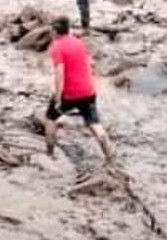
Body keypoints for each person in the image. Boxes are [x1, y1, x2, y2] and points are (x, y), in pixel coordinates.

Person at [43, 16, 114, 165]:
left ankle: (49, 154)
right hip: (88, 91)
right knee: (94, 124)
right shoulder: (78, 42)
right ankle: (109, 156)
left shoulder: (57, 47)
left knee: (50, 119)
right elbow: (88, 65)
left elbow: (59, 74)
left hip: (70, 93)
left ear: (55, 31)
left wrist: (58, 98)